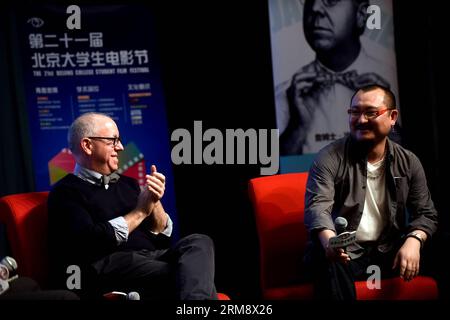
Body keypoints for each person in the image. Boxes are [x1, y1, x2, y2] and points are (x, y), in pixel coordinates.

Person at [47, 112, 217, 300]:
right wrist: (140, 212)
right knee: (190, 274)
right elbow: (88, 243)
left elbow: (162, 239)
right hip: (110, 264)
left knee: (199, 242)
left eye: (119, 141)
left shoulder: (129, 184)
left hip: (149, 257)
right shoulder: (65, 192)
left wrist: (154, 199)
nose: (120, 147)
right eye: (112, 141)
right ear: (87, 145)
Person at [303, 84, 438, 300]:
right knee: (325, 257)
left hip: (387, 250)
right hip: (346, 252)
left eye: (371, 113)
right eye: (355, 112)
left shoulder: (409, 161)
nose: (361, 119)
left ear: (392, 116)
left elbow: (426, 213)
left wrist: (414, 239)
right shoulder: (329, 158)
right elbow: (317, 208)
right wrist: (330, 241)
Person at [276, 0, 399, 155]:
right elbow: (276, 170)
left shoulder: (393, 90)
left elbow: (409, 166)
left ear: (361, 15)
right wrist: (297, 128)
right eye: (309, 2)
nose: (315, 9)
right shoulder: (284, 96)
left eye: (331, 1)